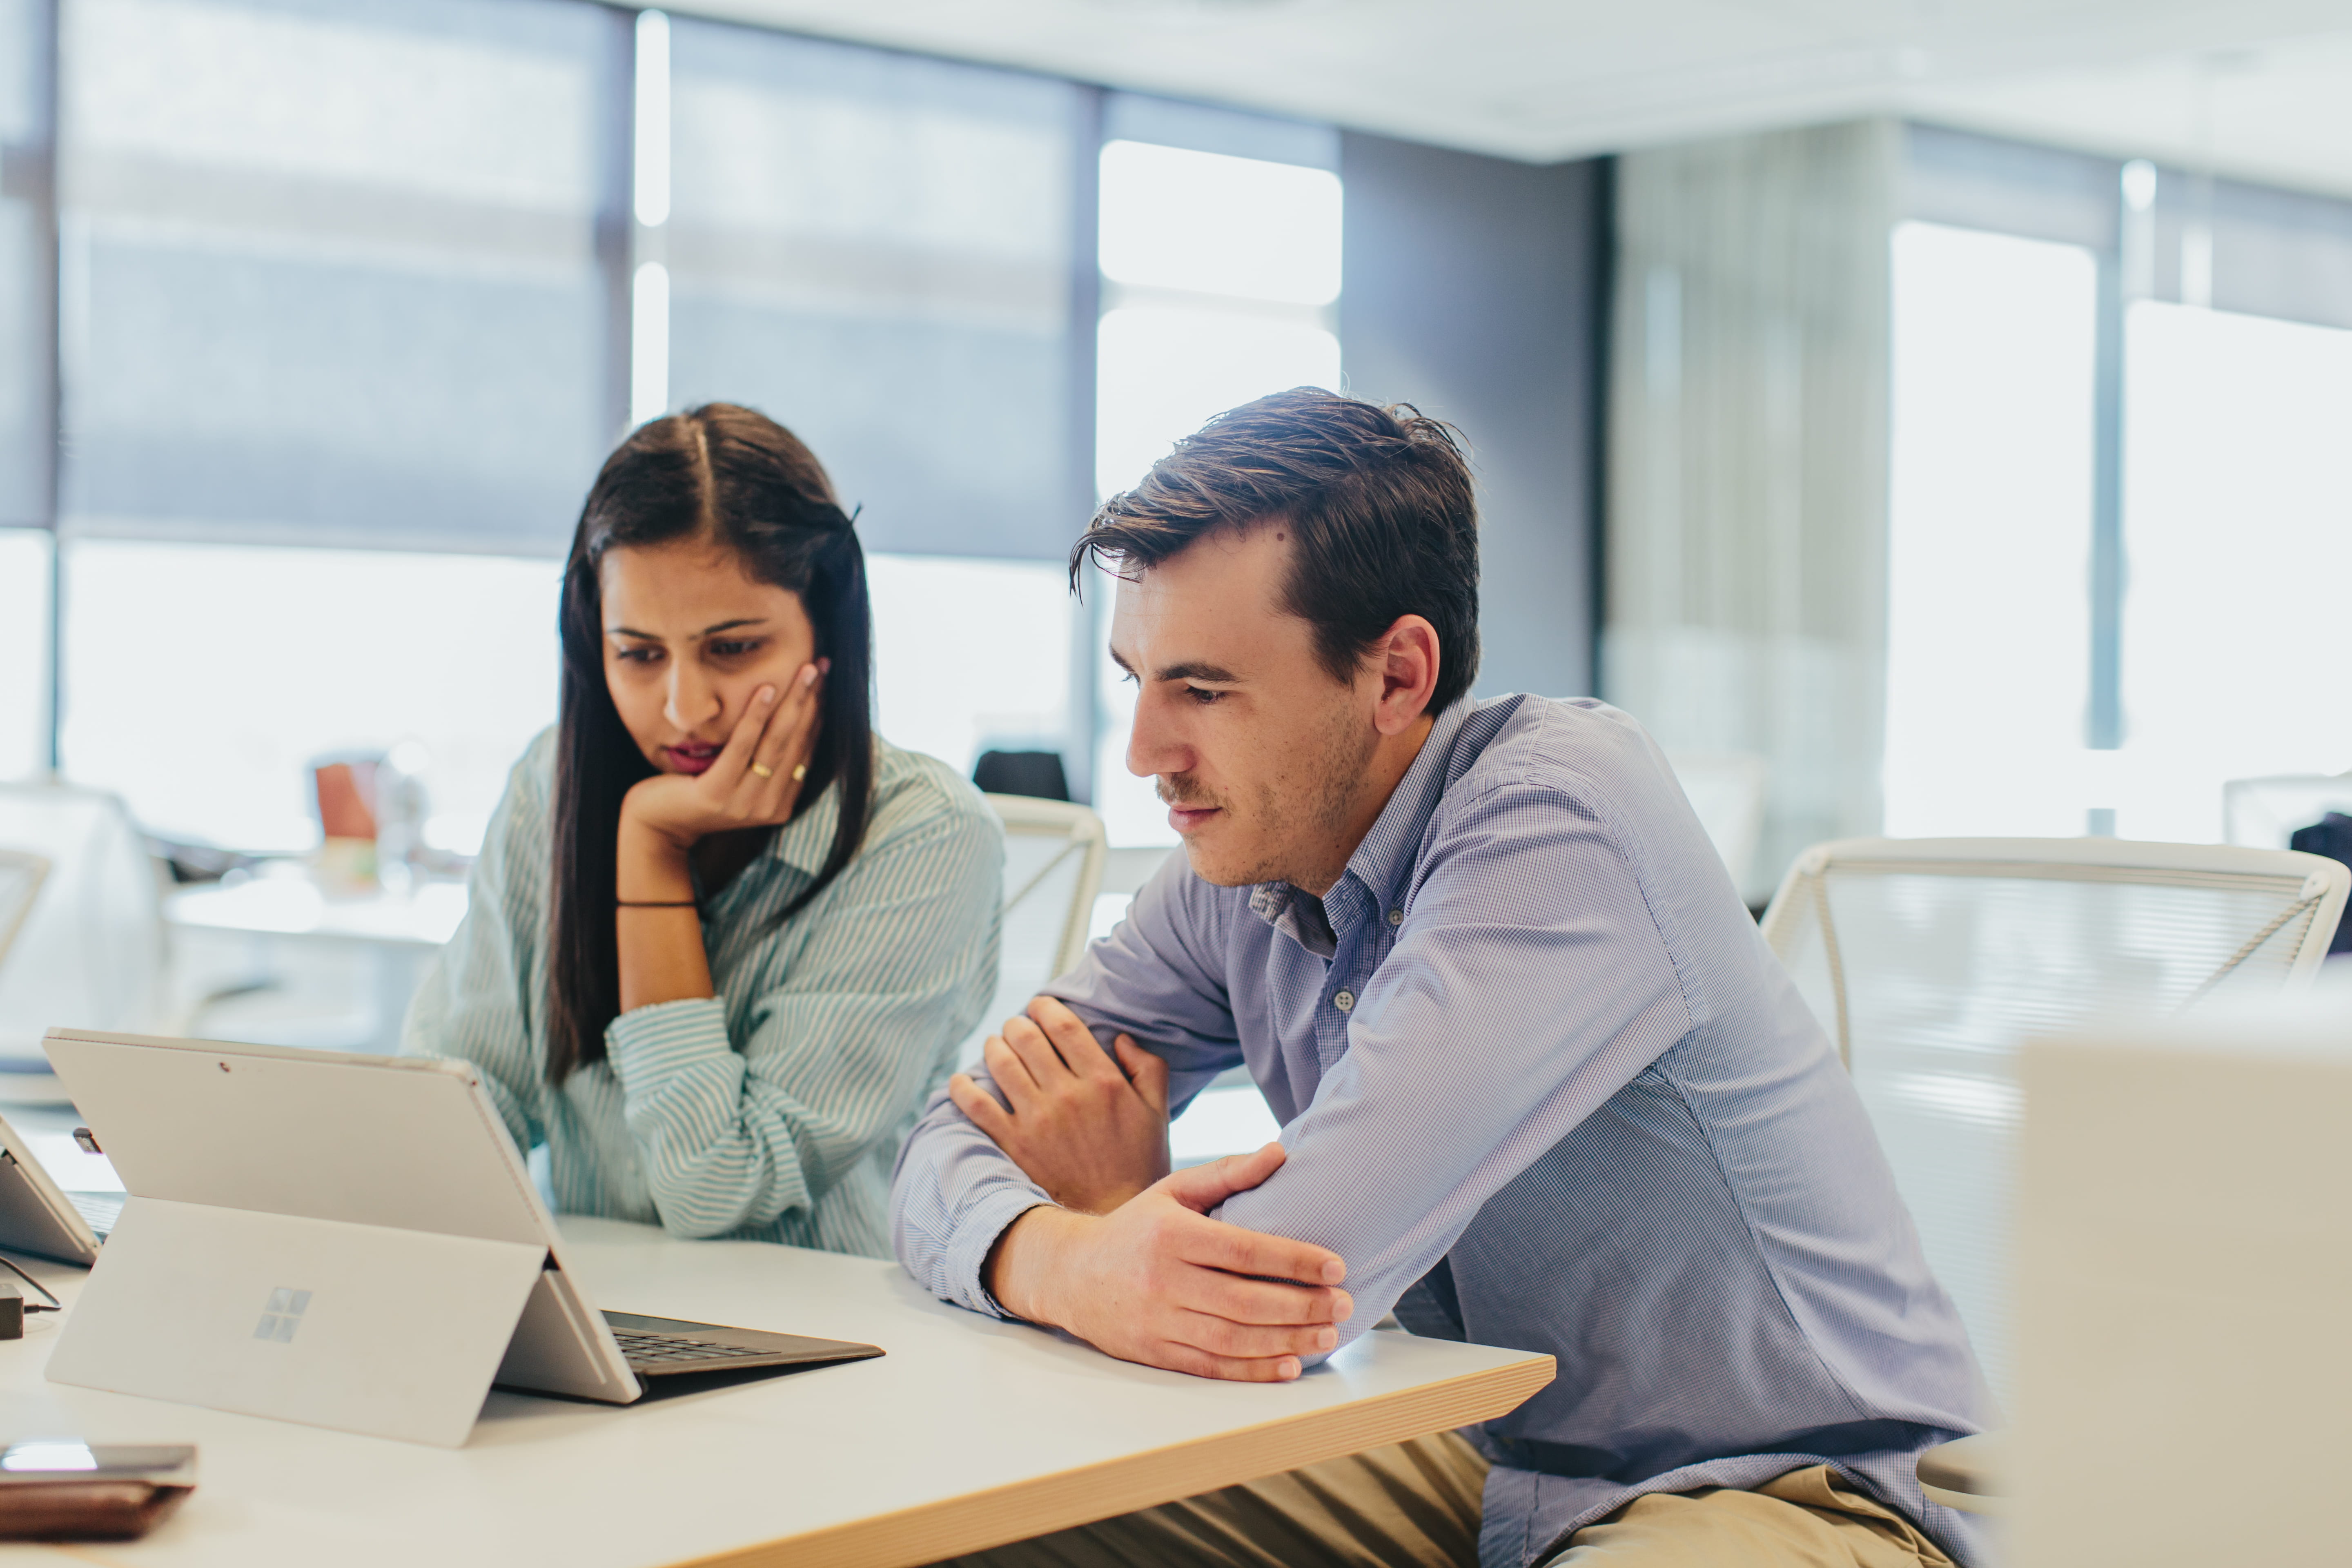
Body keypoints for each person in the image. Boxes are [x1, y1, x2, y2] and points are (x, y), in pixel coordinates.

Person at [891, 389, 1992, 1567]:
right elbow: (938, 1150)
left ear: (1399, 676)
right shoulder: (1238, 866)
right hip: (1482, 1455)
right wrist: (1063, 1255)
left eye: (1203, 691)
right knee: (964, 1525)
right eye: (1138, 682)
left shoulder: (1556, 817)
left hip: (1788, 1489)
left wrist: (1119, 1229)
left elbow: (1300, 1273)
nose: (1145, 755)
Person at [405, 403, 1001, 1255]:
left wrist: (649, 849)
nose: (685, 708)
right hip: (604, 1310)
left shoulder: (925, 834)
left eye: (732, 649)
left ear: (824, 632)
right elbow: (462, 1101)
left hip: (827, 1338)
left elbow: (717, 1185)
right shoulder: (553, 784)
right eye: (638, 655)